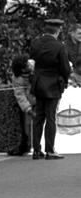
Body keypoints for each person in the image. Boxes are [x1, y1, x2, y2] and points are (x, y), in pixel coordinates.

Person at [30, 18, 71, 160]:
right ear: (58, 31)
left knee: (38, 118)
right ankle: (50, 150)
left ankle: (36, 150)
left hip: (38, 83)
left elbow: (32, 62)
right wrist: (65, 81)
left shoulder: (35, 43)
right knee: (51, 117)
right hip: (53, 84)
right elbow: (65, 68)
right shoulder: (59, 46)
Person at [7, 55, 36, 156]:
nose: (27, 67)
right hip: (28, 103)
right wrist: (29, 109)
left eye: (27, 65)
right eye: (24, 67)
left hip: (39, 100)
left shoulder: (35, 66)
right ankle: (25, 146)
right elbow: (20, 95)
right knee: (25, 126)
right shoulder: (17, 78)